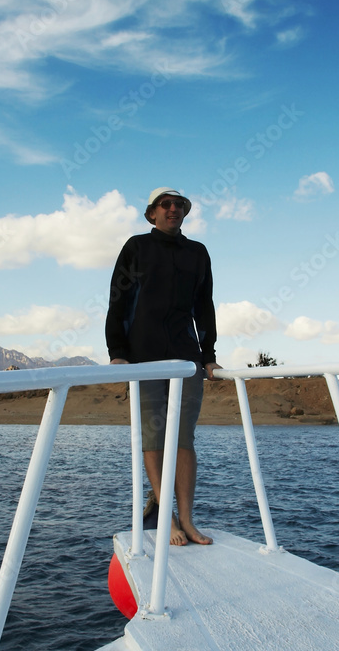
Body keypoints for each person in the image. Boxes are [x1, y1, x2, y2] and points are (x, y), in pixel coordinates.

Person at [106, 186, 221, 546]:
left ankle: (186, 518)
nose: (173, 209)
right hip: (144, 356)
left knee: (184, 437)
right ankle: (165, 516)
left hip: (186, 358)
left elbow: (205, 305)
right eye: (165, 204)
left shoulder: (198, 253)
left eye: (179, 205)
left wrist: (209, 354)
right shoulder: (137, 247)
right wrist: (118, 351)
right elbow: (118, 300)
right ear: (151, 213)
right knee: (154, 436)